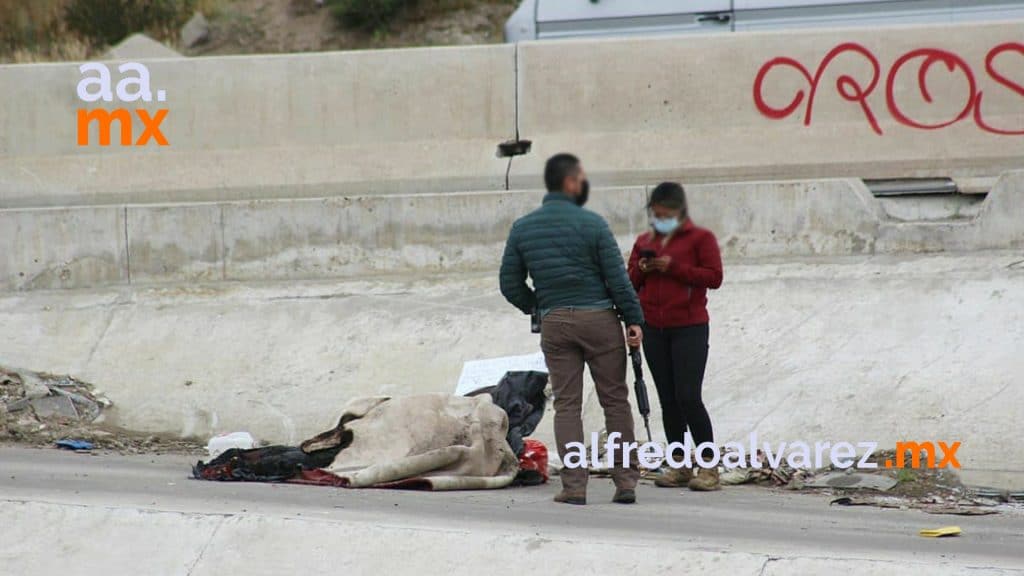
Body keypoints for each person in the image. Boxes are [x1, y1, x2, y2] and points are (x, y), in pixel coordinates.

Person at [500, 153, 645, 506]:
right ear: (569, 182)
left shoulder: (523, 228)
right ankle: (625, 482)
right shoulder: (594, 224)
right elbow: (618, 280)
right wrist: (634, 319)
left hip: (556, 323)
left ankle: (575, 487)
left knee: (567, 405)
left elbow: (509, 283)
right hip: (600, 320)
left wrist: (537, 306)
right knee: (615, 400)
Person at [627, 182, 723, 491]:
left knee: (688, 396)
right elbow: (629, 282)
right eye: (655, 214)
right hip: (654, 327)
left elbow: (713, 276)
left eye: (665, 214)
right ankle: (679, 463)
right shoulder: (644, 241)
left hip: (690, 327)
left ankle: (708, 467)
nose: (660, 219)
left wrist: (674, 267)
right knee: (668, 399)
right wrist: (643, 267)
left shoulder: (701, 239)